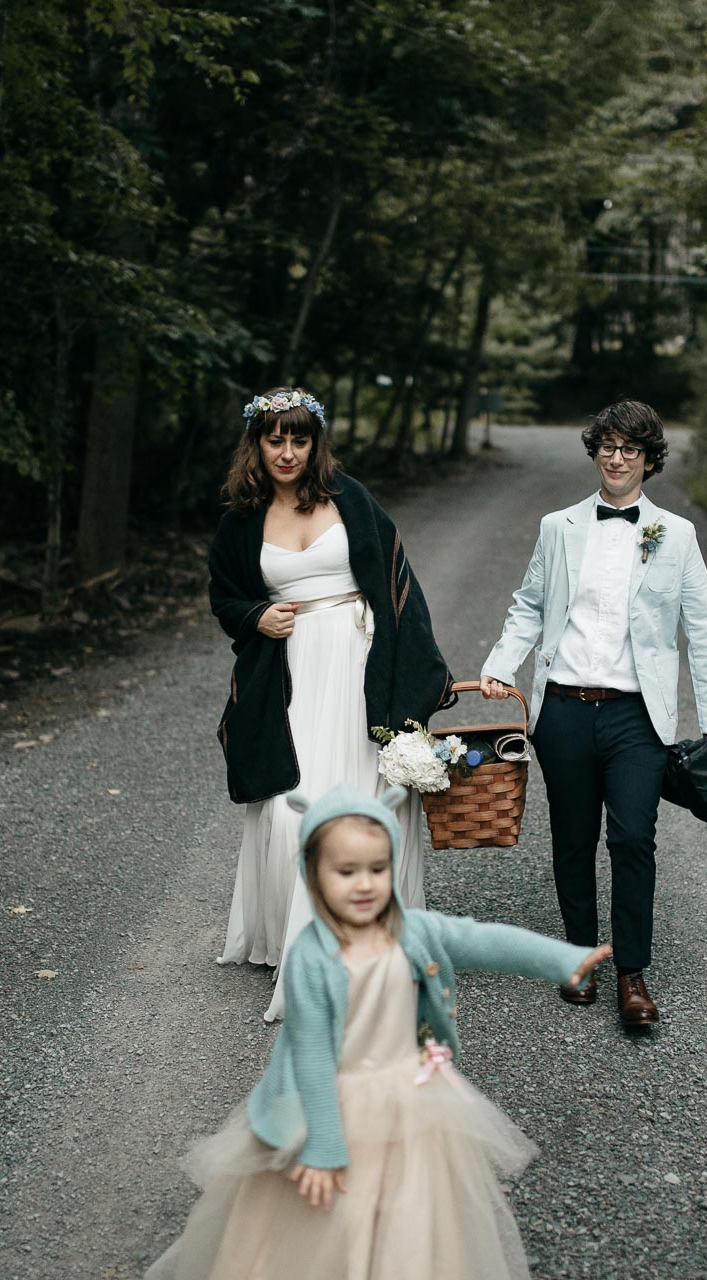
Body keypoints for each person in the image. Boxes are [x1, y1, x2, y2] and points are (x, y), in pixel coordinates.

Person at [147, 784, 610, 1280]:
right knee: (328, 1225)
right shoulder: (312, 956)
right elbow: (313, 1057)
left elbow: (482, 940)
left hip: (409, 1094)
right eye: (346, 872)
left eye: (377, 869)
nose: (364, 884)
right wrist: (322, 1146)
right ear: (313, 875)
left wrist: (562, 959)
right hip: (329, 1105)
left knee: (412, 1216)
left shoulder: (412, 931)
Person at [479, 400, 707, 1029]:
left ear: (650, 460)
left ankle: (632, 973)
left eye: (631, 449)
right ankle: (579, 957)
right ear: (596, 451)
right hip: (563, 710)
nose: (618, 458)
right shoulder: (558, 526)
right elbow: (529, 605)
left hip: (635, 717)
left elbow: (702, 627)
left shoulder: (675, 535)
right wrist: (500, 664)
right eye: (608, 446)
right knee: (572, 839)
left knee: (630, 838)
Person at [209, 387, 452, 1023]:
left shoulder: (350, 499)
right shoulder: (242, 517)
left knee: (364, 804)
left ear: (315, 443)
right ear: (256, 445)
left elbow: (401, 586)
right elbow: (225, 597)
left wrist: (416, 686)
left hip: (358, 663)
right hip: (288, 674)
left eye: (299, 439)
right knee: (294, 813)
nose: (286, 452)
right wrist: (256, 616)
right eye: (274, 439)